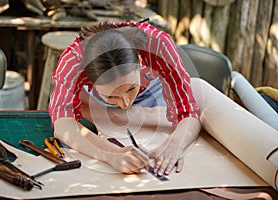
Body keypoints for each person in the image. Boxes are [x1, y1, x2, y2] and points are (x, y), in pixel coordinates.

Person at [48, 20, 201, 176]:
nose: (125, 103)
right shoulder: (72, 62)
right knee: (111, 118)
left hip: (150, 87)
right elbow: (62, 124)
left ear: (140, 62)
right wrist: (111, 154)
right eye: (112, 96)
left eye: (130, 89)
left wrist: (175, 145)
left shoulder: (159, 44)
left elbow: (189, 111)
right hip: (95, 100)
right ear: (88, 78)